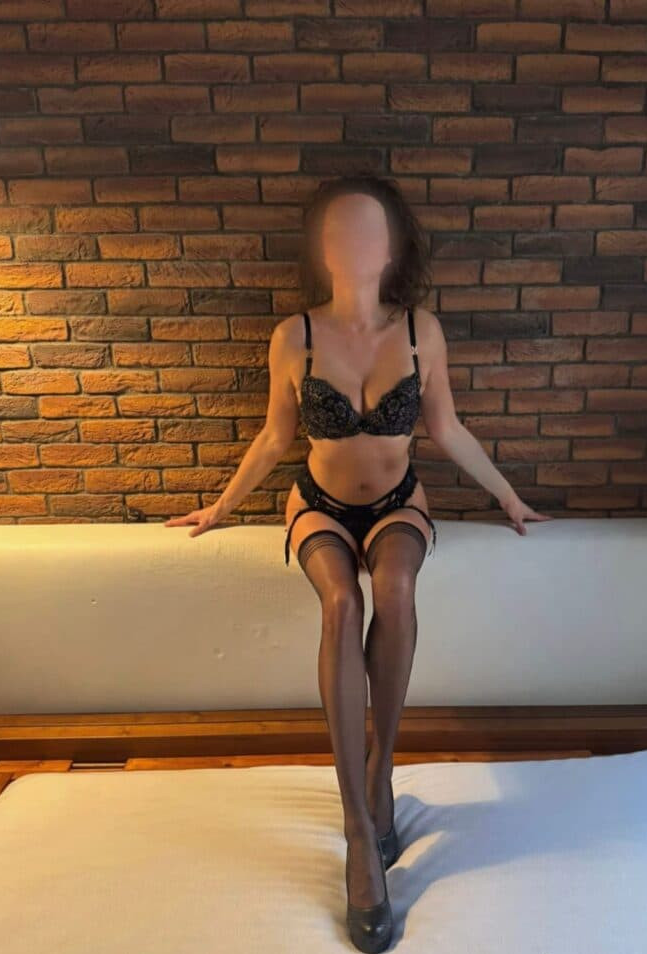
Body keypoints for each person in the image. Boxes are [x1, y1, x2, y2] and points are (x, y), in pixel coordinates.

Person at [165, 174, 551, 952]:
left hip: (399, 502)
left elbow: (447, 428)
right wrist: (221, 507)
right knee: (342, 605)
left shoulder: (419, 331)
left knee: (396, 592)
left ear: (394, 246)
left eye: (370, 231)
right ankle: (356, 829)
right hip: (320, 505)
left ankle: (381, 772)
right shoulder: (294, 336)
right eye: (340, 231)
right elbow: (275, 437)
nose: (355, 244)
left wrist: (508, 495)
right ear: (321, 247)